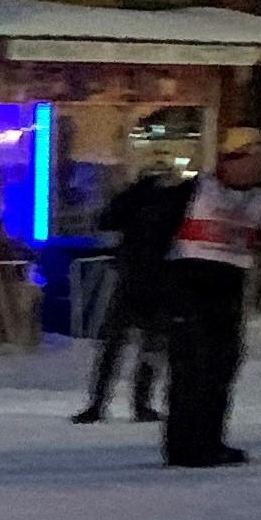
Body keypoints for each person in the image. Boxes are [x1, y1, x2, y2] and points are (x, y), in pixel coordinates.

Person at [159, 128, 261, 468]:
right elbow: (157, 232)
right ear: (234, 159)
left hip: (229, 289)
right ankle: (184, 447)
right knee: (192, 368)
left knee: (221, 367)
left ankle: (210, 441)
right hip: (188, 286)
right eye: (255, 159)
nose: (260, 167)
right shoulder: (195, 190)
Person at [72, 164, 182, 425]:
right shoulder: (176, 202)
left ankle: (98, 404)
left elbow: (106, 220)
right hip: (160, 280)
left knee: (113, 345)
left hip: (131, 277)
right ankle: (141, 404)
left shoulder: (134, 198)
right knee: (151, 346)